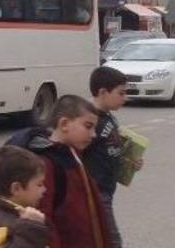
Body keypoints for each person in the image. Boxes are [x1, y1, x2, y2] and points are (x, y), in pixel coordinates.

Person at [37, 95, 110, 248]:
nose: (93, 134)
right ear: (64, 124)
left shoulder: (74, 152)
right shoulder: (47, 164)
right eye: (88, 126)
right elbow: (44, 219)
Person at [85, 66, 143, 248]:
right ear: (103, 92)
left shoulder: (109, 117)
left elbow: (112, 147)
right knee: (112, 242)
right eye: (121, 93)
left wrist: (129, 160)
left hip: (107, 190)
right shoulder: (89, 122)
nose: (125, 98)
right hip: (95, 193)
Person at [0, 146, 48, 248]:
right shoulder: (9, 225)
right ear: (16, 188)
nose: (44, 189)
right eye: (39, 184)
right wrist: (31, 227)